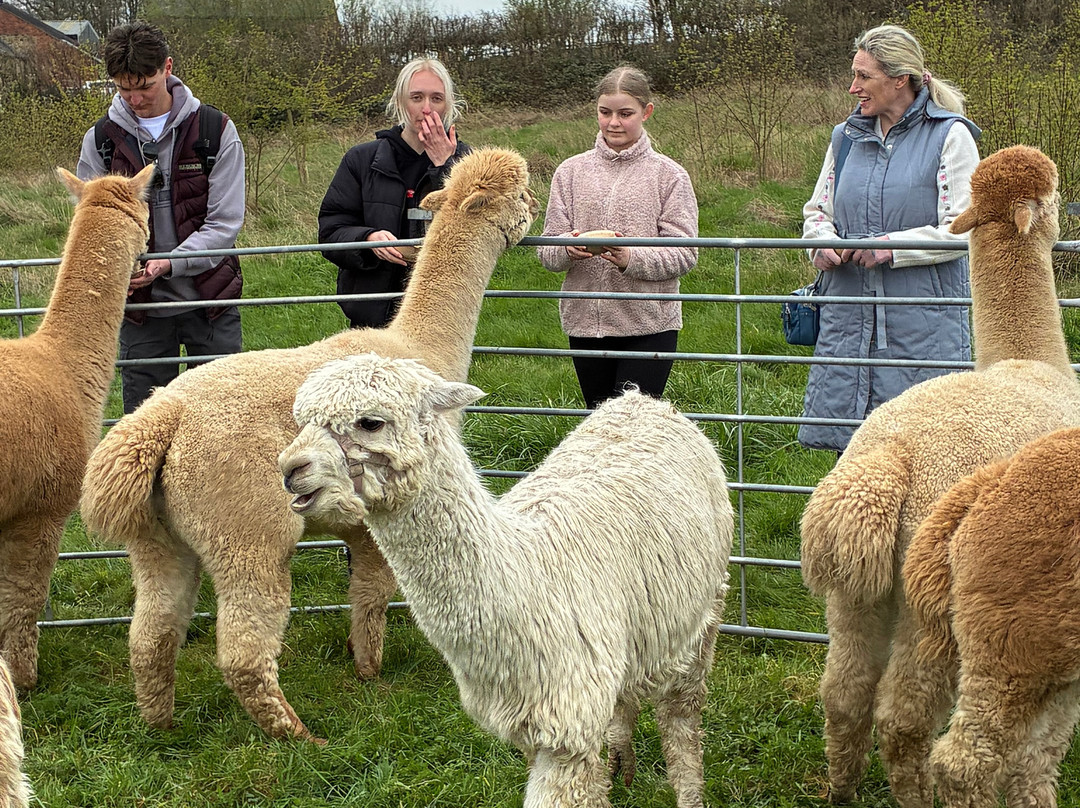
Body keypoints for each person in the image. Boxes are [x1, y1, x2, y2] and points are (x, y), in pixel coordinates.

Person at [799, 24, 981, 453]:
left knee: (927, 455)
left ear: (900, 78)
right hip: (848, 318)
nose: (853, 87)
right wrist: (821, 242)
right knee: (854, 462)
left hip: (922, 324)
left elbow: (964, 225)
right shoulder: (845, 138)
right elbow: (817, 210)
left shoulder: (950, 136)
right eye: (854, 74)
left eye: (864, 76)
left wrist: (891, 246)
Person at [76, 21, 245, 415]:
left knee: (221, 422)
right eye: (123, 88)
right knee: (147, 426)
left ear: (167, 68)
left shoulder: (215, 131)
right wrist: (123, 268)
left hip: (211, 302)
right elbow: (92, 226)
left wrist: (168, 263)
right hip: (140, 312)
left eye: (145, 86)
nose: (135, 99)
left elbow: (225, 223)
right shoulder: (100, 142)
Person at [537, 65, 698, 410]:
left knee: (636, 429)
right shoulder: (570, 171)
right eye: (605, 112)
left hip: (648, 326)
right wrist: (568, 247)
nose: (614, 123)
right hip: (584, 325)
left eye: (626, 114)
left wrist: (630, 258)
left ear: (647, 112)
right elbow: (547, 249)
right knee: (598, 428)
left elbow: (685, 252)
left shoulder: (669, 176)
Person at [318, 58, 469, 329]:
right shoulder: (361, 160)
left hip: (441, 315)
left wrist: (444, 167)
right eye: (416, 97)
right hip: (373, 316)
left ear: (448, 104)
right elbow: (331, 232)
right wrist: (367, 239)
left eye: (436, 98)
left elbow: (472, 236)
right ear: (400, 102)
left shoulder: (466, 161)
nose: (426, 109)